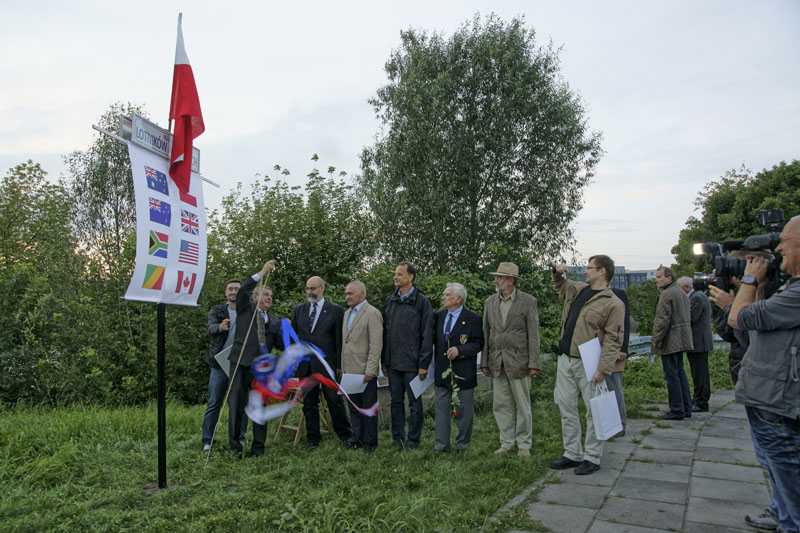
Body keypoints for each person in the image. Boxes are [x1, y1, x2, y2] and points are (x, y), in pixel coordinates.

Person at [728, 215, 800, 532]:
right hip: (768, 396)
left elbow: (739, 319)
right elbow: (755, 326)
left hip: (778, 398)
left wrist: (749, 282)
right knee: (776, 468)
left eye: (784, 240)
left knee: (787, 472)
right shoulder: (789, 289)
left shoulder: (796, 294)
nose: (779, 247)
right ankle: (779, 513)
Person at [549, 257, 625, 475]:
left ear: (602, 271)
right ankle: (572, 452)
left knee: (593, 411)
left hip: (590, 362)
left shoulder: (613, 303)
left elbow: (613, 339)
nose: (584, 272)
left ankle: (592, 456)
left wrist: (603, 369)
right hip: (566, 358)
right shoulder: (579, 290)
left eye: (589, 268)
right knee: (566, 406)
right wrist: (557, 271)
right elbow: (559, 286)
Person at [481, 262, 540, 457]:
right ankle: (506, 442)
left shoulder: (528, 301)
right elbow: (486, 333)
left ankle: (524, 444)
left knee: (523, 405)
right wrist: (484, 362)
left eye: (500, 277)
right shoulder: (489, 302)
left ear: (511, 280)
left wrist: (534, 363)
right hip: (497, 362)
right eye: (496, 277)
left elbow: (534, 335)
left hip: (520, 362)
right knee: (501, 404)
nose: (495, 280)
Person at [227, 260, 283, 458]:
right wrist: (262, 272)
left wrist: (290, 332)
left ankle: (258, 448)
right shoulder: (245, 309)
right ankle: (235, 448)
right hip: (241, 364)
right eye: (265, 295)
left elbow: (281, 346)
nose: (269, 298)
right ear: (255, 297)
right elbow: (242, 290)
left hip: (261, 371)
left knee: (261, 407)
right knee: (236, 406)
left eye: (270, 296)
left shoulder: (274, 321)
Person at [291, 276, 352, 450]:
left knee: (335, 401)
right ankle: (313, 439)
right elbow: (294, 340)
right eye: (308, 289)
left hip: (328, 365)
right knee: (309, 403)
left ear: (322, 288)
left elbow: (339, 340)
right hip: (305, 366)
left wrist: (340, 364)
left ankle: (346, 435)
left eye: (313, 288)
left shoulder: (335, 310)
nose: (310, 292)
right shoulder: (299, 310)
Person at [382, 261, 434, 449]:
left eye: (400, 274)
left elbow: (427, 335)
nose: (395, 277)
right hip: (393, 363)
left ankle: (413, 440)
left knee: (414, 403)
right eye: (395, 274)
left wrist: (423, 363)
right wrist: (384, 360)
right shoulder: (390, 301)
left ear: (410, 277)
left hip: (413, 365)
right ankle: (398, 439)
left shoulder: (422, 302)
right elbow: (385, 333)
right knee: (396, 402)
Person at [432, 283, 484, 453]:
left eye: (447, 295)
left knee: (464, 412)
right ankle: (441, 446)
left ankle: (462, 445)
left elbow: (478, 343)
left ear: (458, 299)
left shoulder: (473, 319)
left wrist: (460, 350)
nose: (443, 297)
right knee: (441, 411)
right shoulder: (438, 317)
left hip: (463, 373)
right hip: (442, 372)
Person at [201, 278, 245, 452]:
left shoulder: (246, 310)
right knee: (214, 402)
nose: (234, 292)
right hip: (219, 364)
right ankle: (207, 441)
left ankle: (239, 438)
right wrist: (220, 327)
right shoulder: (218, 310)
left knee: (239, 404)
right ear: (226, 293)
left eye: (237, 289)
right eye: (231, 289)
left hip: (239, 365)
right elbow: (210, 328)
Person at [340, 281, 383, 453]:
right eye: (346, 293)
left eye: (350, 293)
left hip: (365, 371)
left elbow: (376, 344)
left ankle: (370, 443)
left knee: (367, 408)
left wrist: (371, 370)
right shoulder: (346, 314)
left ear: (362, 295)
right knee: (353, 407)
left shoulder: (372, 313)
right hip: (349, 371)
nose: (347, 297)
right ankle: (357, 438)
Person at [651, 266, 694, 420]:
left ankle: (676, 409)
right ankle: (686, 406)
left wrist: (656, 341)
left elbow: (662, 320)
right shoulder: (681, 293)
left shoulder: (666, 294)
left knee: (671, 375)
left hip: (671, 339)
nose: (657, 280)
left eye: (659, 277)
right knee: (680, 372)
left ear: (669, 278)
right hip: (682, 337)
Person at [677, 277, 713, 412]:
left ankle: (702, 401)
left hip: (699, 341)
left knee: (700, 373)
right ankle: (698, 398)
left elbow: (691, 317)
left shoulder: (697, 298)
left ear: (686, 287)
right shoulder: (698, 296)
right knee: (697, 372)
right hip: (698, 341)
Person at [608, 287, 631, 437]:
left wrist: (622, 348)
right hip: (600, 348)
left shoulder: (618, 294)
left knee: (614, 387)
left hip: (615, 350)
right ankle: (609, 424)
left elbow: (625, 323)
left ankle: (619, 425)